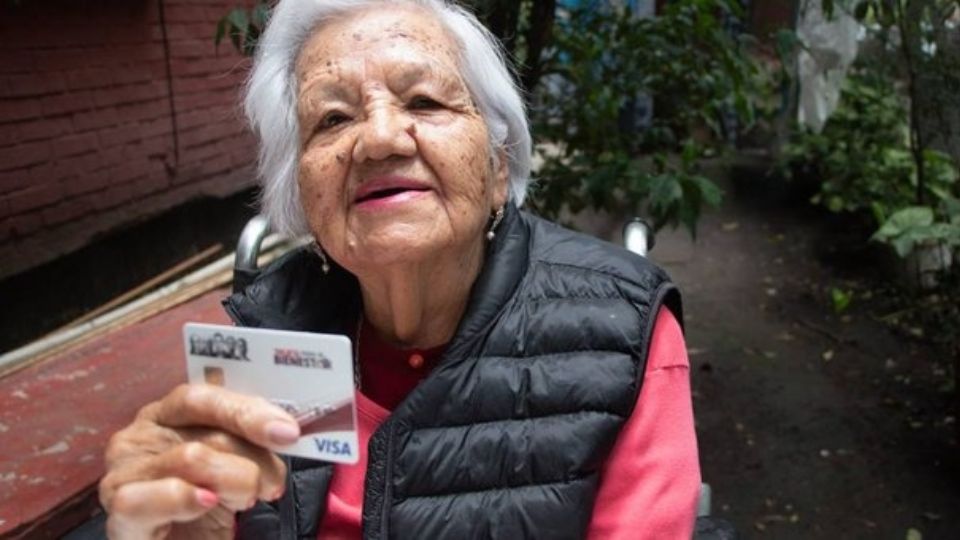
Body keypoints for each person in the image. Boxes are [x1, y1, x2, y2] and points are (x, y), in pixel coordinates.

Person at [97, 1, 700, 538]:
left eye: (424, 101)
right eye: (333, 119)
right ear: (303, 192)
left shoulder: (622, 330)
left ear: (498, 168)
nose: (380, 139)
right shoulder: (269, 334)